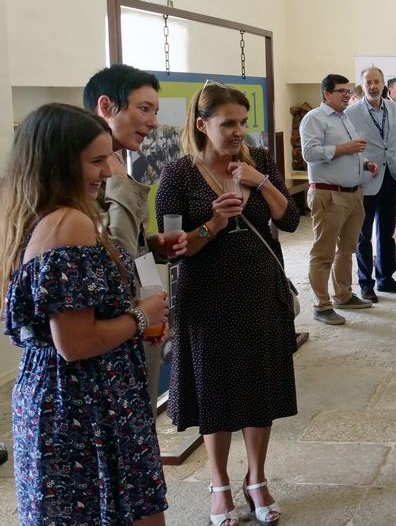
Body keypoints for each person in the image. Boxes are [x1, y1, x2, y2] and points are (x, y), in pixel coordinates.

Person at [1, 103, 169, 525]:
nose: (109, 171)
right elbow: (75, 343)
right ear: (59, 164)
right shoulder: (69, 223)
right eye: (96, 161)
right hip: (86, 403)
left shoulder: (33, 215)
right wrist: (140, 316)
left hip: (64, 396)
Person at [155, 81, 299, 525]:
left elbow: (291, 220)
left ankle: (257, 479)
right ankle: (219, 484)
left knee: (260, 386)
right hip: (207, 296)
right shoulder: (178, 175)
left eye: (243, 122)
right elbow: (173, 248)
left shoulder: (261, 162)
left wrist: (262, 183)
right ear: (203, 125)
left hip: (261, 290)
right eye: (228, 123)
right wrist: (214, 223)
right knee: (214, 389)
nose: (239, 131)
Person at [83, 63, 188, 408]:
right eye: (144, 109)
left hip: (138, 321)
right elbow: (116, 256)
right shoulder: (88, 179)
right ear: (106, 106)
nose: (154, 122)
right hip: (108, 335)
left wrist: (153, 245)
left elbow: (129, 247)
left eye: (155, 111)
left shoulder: (115, 167)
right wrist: (117, 180)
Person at [299, 73, 379, 324]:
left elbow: (353, 154)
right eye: (341, 91)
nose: (347, 95)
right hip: (329, 195)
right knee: (323, 253)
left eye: (348, 91)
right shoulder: (314, 118)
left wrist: (366, 163)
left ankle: (343, 295)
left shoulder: (344, 118)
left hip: (354, 195)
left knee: (346, 250)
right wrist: (346, 148)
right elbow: (309, 153)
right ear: (327, 93)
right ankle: (321, 306)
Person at [345, 66, 396, 302]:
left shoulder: (395, 109)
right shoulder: (351, 113)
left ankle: (386, 278)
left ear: (384, 84)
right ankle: (365, 283)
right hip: (367, 180)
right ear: (362, 85)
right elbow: (350, 148)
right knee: (364, 235)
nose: (373, 86)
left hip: (391, 177)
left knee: (387, 232)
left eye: (376, 82)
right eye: (368, 82)